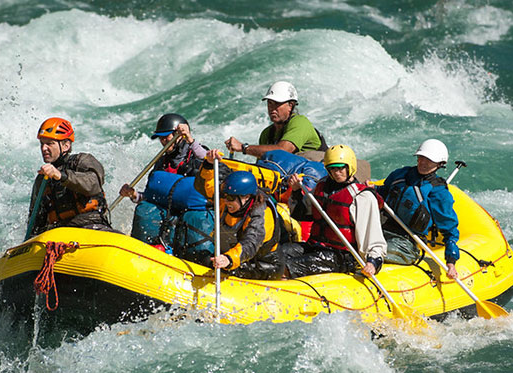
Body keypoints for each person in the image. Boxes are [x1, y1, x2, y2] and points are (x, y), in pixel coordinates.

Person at [282, 144, 386, 278]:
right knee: (276, 254)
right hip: (315, 247)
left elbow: (372, 235)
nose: (336, 173)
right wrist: (296, 191)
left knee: (286, 266)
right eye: (332, 169)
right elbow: (301, 214)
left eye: (340, 168)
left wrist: (373, 262)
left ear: (350, 167)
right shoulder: (322, 185)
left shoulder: (362, 196)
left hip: (343, 256)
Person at [375, 138, 460, 279]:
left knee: (375, 251)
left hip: (406, 242)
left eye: (429, 160)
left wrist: (451, 262)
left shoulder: (439, 193)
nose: (423, 163)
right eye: (421, 157)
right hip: (381, 229)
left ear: (440, 164)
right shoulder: (400, 174)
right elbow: (383, 192)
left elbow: (449, 229)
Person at [194, 150, 284, 280]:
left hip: (264, 265)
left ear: (246, 197)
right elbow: (203, 187)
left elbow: (251, 243)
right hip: (233, 257)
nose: (225, 201)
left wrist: (229, 259)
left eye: (230, 198)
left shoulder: (261, 215)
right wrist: (208, 164)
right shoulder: (228, 200)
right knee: (198, 256)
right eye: (225, 196)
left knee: (212, 264)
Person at [27, 117, 112, 237]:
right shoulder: (42, 179)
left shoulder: (82, 161)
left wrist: (60, 176)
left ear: (66, 145)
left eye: (49, 143)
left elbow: (94, 184)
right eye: (42, 144)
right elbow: (36, 221)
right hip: (59, 235)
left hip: (93, 228)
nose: (43, 148)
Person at [224, 81, 328, 162]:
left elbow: (282, 151)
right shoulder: (267, 134)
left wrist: (244, 148)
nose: (272, 109)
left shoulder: (300, 122)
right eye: (270, 103)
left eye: (277, 104)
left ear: (290, 106)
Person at [119, 113, 207, 203]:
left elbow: (207, 159)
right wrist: (133, 194)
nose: (163, 140)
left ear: (180, 136)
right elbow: (150, 197)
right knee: (143, 209)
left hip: (193, 207)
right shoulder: (162, 162)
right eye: (160, 137)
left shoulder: (196, 154)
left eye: (166, 136)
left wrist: (189, 138)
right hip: (170, 210)